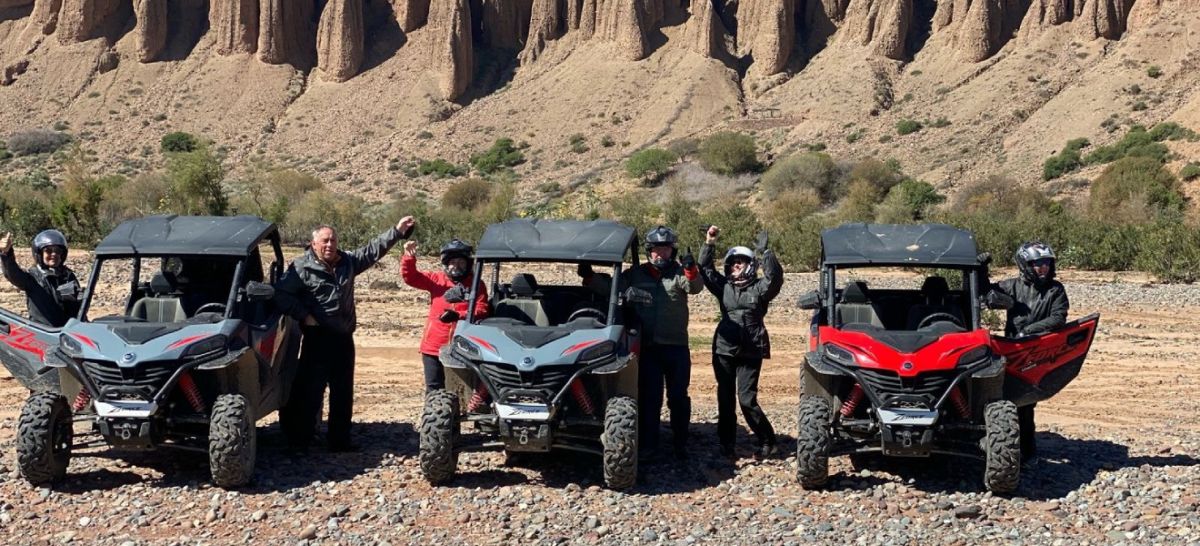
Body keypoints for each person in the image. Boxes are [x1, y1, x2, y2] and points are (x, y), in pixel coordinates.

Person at [274, 217, 415, 452]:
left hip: (343, 339)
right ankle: (301, 441)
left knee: (343, 391)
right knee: (310, 391)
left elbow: (373, 250)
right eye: (325, 241)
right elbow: (280, 294)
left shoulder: (347, 262)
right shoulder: (301, 268)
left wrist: (397, 231)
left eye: (333, 240)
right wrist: (303, 315)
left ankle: (340, 441)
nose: (330, 245)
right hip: (316, 339)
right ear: (313, 243)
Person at [579, 225, 703, 460]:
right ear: (649, 251)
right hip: (647, 348)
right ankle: (649, 445)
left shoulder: (678, 273)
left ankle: (680, 443)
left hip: (676, 346)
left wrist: (691, 268)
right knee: (649, 397)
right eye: (656, 249)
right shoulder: (635, 274)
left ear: (672, 251)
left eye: (665, 249)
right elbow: (611, 289)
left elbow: (695, 287)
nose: (660, 254)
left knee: (678, 397)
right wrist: (589, 277)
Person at [697, 226, 783, 461]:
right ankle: (726, 443)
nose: (735, 265)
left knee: (747, 399)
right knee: (725, 398)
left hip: (752, 349)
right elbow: (704, 269)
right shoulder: (723, 287)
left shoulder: (760, 288)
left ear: (750, 264)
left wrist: (765, 253)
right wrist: (709, 243)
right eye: (732, 262)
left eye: (740, 261)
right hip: (724, 348)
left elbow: (775, 278)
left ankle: (768, 440)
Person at [985, 241, 1070, 464]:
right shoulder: (1012, 286)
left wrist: (1031, 330)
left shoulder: (1056, 290)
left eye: (1046, 263)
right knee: (998, 397)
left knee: (1025, 401)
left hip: (1037, 350)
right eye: (1037, 263)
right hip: (1011, 349)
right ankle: (996, 444)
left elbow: (1059, 317)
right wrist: (980, 270)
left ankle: (1028, 451)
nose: (1042, 268)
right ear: (1025, 264)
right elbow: (986, 294)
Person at [400, 238, 490, 393]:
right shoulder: (436, 280)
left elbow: (482, 309)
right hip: (433, 346)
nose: (456, 266)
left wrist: (459, 315)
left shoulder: (476, 285)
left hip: (463, 347)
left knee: (462, 389)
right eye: (452, 262)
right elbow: (412, 278)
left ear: (468, 264)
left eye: (460, 262)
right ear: (446, 264)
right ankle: (433, 415)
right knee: (434, 388)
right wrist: (408, 257)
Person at [0, 229, 82, 327]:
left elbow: (77, 303)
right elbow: (13, 275)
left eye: (58, 251)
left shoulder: (67, 276)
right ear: (39, 253)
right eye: (48, 250)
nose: (54, 254)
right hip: (44, 333)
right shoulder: (32, 277)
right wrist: (6, 253)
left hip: (67, 332)